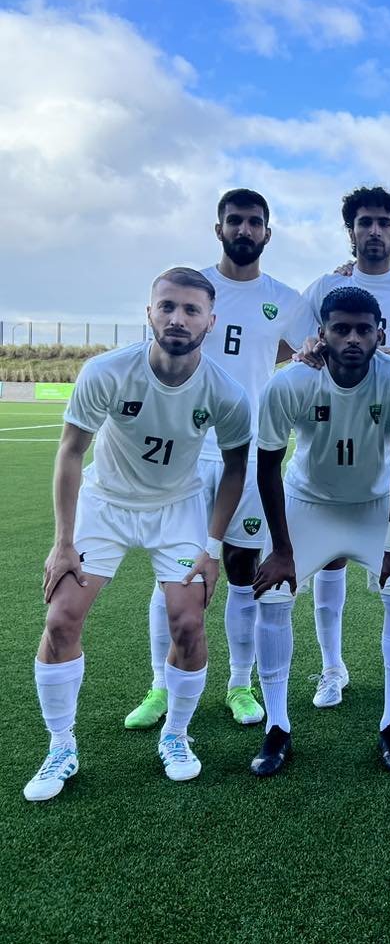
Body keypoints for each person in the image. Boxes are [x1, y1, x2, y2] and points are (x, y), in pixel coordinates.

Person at [24, 268, 251, 800]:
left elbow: (237, 466)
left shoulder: (226, 390)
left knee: (189, 624)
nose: (178, 318)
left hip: (178, 509)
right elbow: (71, 452)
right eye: (167, 306)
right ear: (148, 312)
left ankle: (176, 734)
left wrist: (212, 548)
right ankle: (61, 746)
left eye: (192, 310)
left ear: (210, 321)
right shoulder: (107, 371)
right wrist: (63, 541)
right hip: (106, 505)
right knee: (61, 617)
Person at [125, 189, 304, 732]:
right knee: (173, 572)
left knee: (243, 569)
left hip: (244, 454)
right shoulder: (190, 289)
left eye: (254, 222)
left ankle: (239, 684)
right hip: (183, 452)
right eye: (235, 221)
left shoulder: (286, 299)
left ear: (267, 233)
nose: (244, 230)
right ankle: (161, 683)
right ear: (219, 227)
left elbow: (296, 352)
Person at [249, 287, 390, 775]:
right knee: (273, 596)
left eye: (363, 329)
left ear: (379, 333)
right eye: (340, 328)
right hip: (310, 505)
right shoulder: (290, 384)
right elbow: (267, 468)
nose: (352, 338)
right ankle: (277, 728)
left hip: (373, 505)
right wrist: (281, 550)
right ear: (321, 333)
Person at [296, 186, 390, 711]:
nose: (375, 231)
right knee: (330, 557)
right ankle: (331, 668)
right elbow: (297, 352)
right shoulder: (325, 286)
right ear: (351, 231)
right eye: (365, 222)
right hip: (332, 444)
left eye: (385, 223)